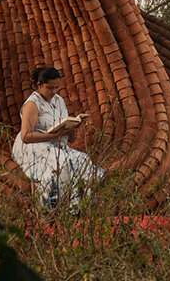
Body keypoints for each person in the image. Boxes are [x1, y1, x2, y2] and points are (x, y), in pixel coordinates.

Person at [11, 66, 103, 209]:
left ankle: (78, 207)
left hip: (56, 143)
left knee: (83, 161)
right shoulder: (32, 104)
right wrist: (53, 135)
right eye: (50, 88)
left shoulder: (58, 100)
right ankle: (49, 209)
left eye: (56, 88)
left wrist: (70, 131)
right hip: (33, 146)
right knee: (61, 163)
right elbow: (26, 136)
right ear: (39, 85)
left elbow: (62, 126)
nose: (54, 92)